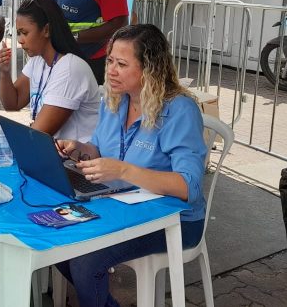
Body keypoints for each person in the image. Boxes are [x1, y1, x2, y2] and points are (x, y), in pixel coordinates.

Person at [54, 24, 208, 307]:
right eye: (110, 60)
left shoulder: (179, 110)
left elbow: (191, 187)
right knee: (59, 241)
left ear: (150, 68)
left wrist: (124, 171)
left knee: (86, 261)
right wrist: (79, 148)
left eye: (122, 64)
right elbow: (99, 150)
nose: (110, 70)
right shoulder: (114, 101)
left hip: (174, 221)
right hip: (121, 208)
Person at [0, 0, 100, 154]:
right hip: (53, 155)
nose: (20, 40)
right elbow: (13, 103)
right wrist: (4, 72)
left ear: (46, 30)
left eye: (24, 33)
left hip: (76, 165)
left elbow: (38, 134)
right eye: (18, 33)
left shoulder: (70, 69)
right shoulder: (38, 60)